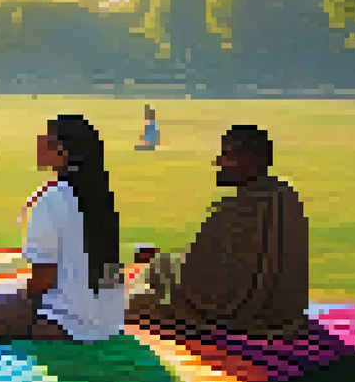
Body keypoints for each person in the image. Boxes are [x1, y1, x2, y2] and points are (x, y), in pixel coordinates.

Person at [127, 125, 309, 340]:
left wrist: (160, 265)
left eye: (227, 155)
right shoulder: (287, 197)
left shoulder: (235, 210)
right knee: (162, 266)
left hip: (238, 317)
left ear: (250, 161)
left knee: (135, 298)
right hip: (285, 314)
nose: (218, 162)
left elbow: (199, 285)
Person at [0, 115, 125, 343]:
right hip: (109, 323)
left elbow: (44, 279)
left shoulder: (52, 199)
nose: (39, 144)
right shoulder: (103, 199)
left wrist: (21, 301)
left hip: (68, 324)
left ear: (64, 152)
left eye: (48, 141)